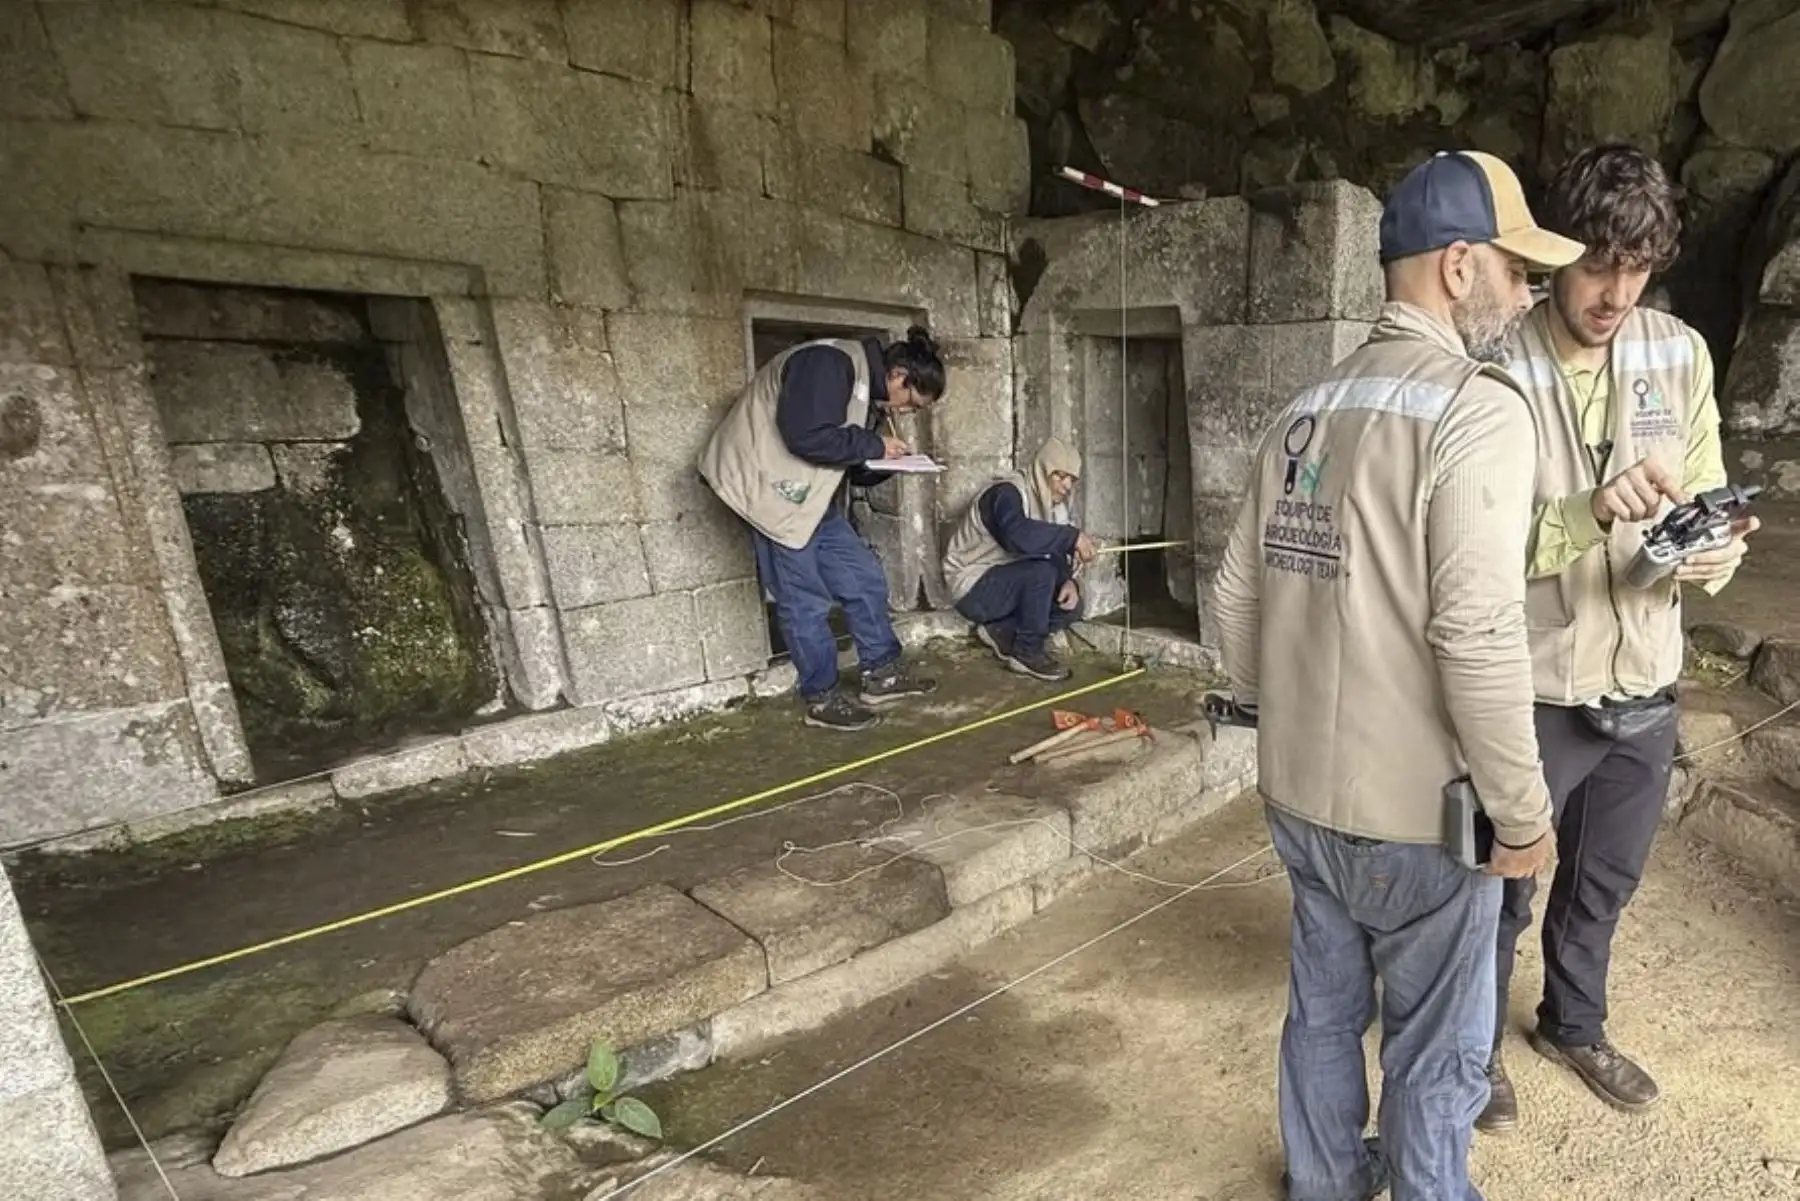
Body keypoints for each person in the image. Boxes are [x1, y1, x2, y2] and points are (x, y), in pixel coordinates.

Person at [1211, 150, 1578, 1201]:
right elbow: (1475, 630)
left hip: (1299, 796)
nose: (1523, 296)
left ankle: (1323, 1184)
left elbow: (1238, 598)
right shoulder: (1475, 408)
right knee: (1435, 1046)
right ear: (1459, 267)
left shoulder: (1301, 410)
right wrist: (1521, 811)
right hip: (1422, 818)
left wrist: (1268, 711)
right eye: (1516, 272)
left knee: (1322, 1008)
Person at [1479, 143, 1761, 1130]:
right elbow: (1471, 549)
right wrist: (1585, 513)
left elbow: (1706, 485)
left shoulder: (1675, 351)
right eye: (1598, 264)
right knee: (1502, 885)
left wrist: (1709, 552)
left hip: (1644, 669)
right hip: (1533, 682)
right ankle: (1474, 1050)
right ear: (1557, 254)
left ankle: (1573, 1022)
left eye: (1637, 267)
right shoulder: (1497, 369)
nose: (1615, 292)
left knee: (1605, 878)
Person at [697, 325, 946, 732]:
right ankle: (822, 696)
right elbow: (806, 437)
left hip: (808, 495)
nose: (905, 412)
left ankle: (882, 674)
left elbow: (845, 457)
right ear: (899, 376)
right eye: (911, 403)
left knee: (863, 576)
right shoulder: (828, 362)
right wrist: (874, 446)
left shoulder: (866, 392)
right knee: (805, 599)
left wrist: (888, 463)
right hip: (770, 491)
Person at [941, 437, 1099, 682]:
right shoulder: (1006, 493)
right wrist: (1071, 537)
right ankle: (1027, 652)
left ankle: (1001, 632)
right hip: (972, 586)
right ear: (1042, 469)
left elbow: (1052, 553)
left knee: (1071, 605)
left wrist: (1070, 582)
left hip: (1009, 582)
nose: (1067, 485)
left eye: (1073, 479)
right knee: (1041, 573)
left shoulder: (1053, 508)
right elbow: (1017, 536)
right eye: (1060, 475)